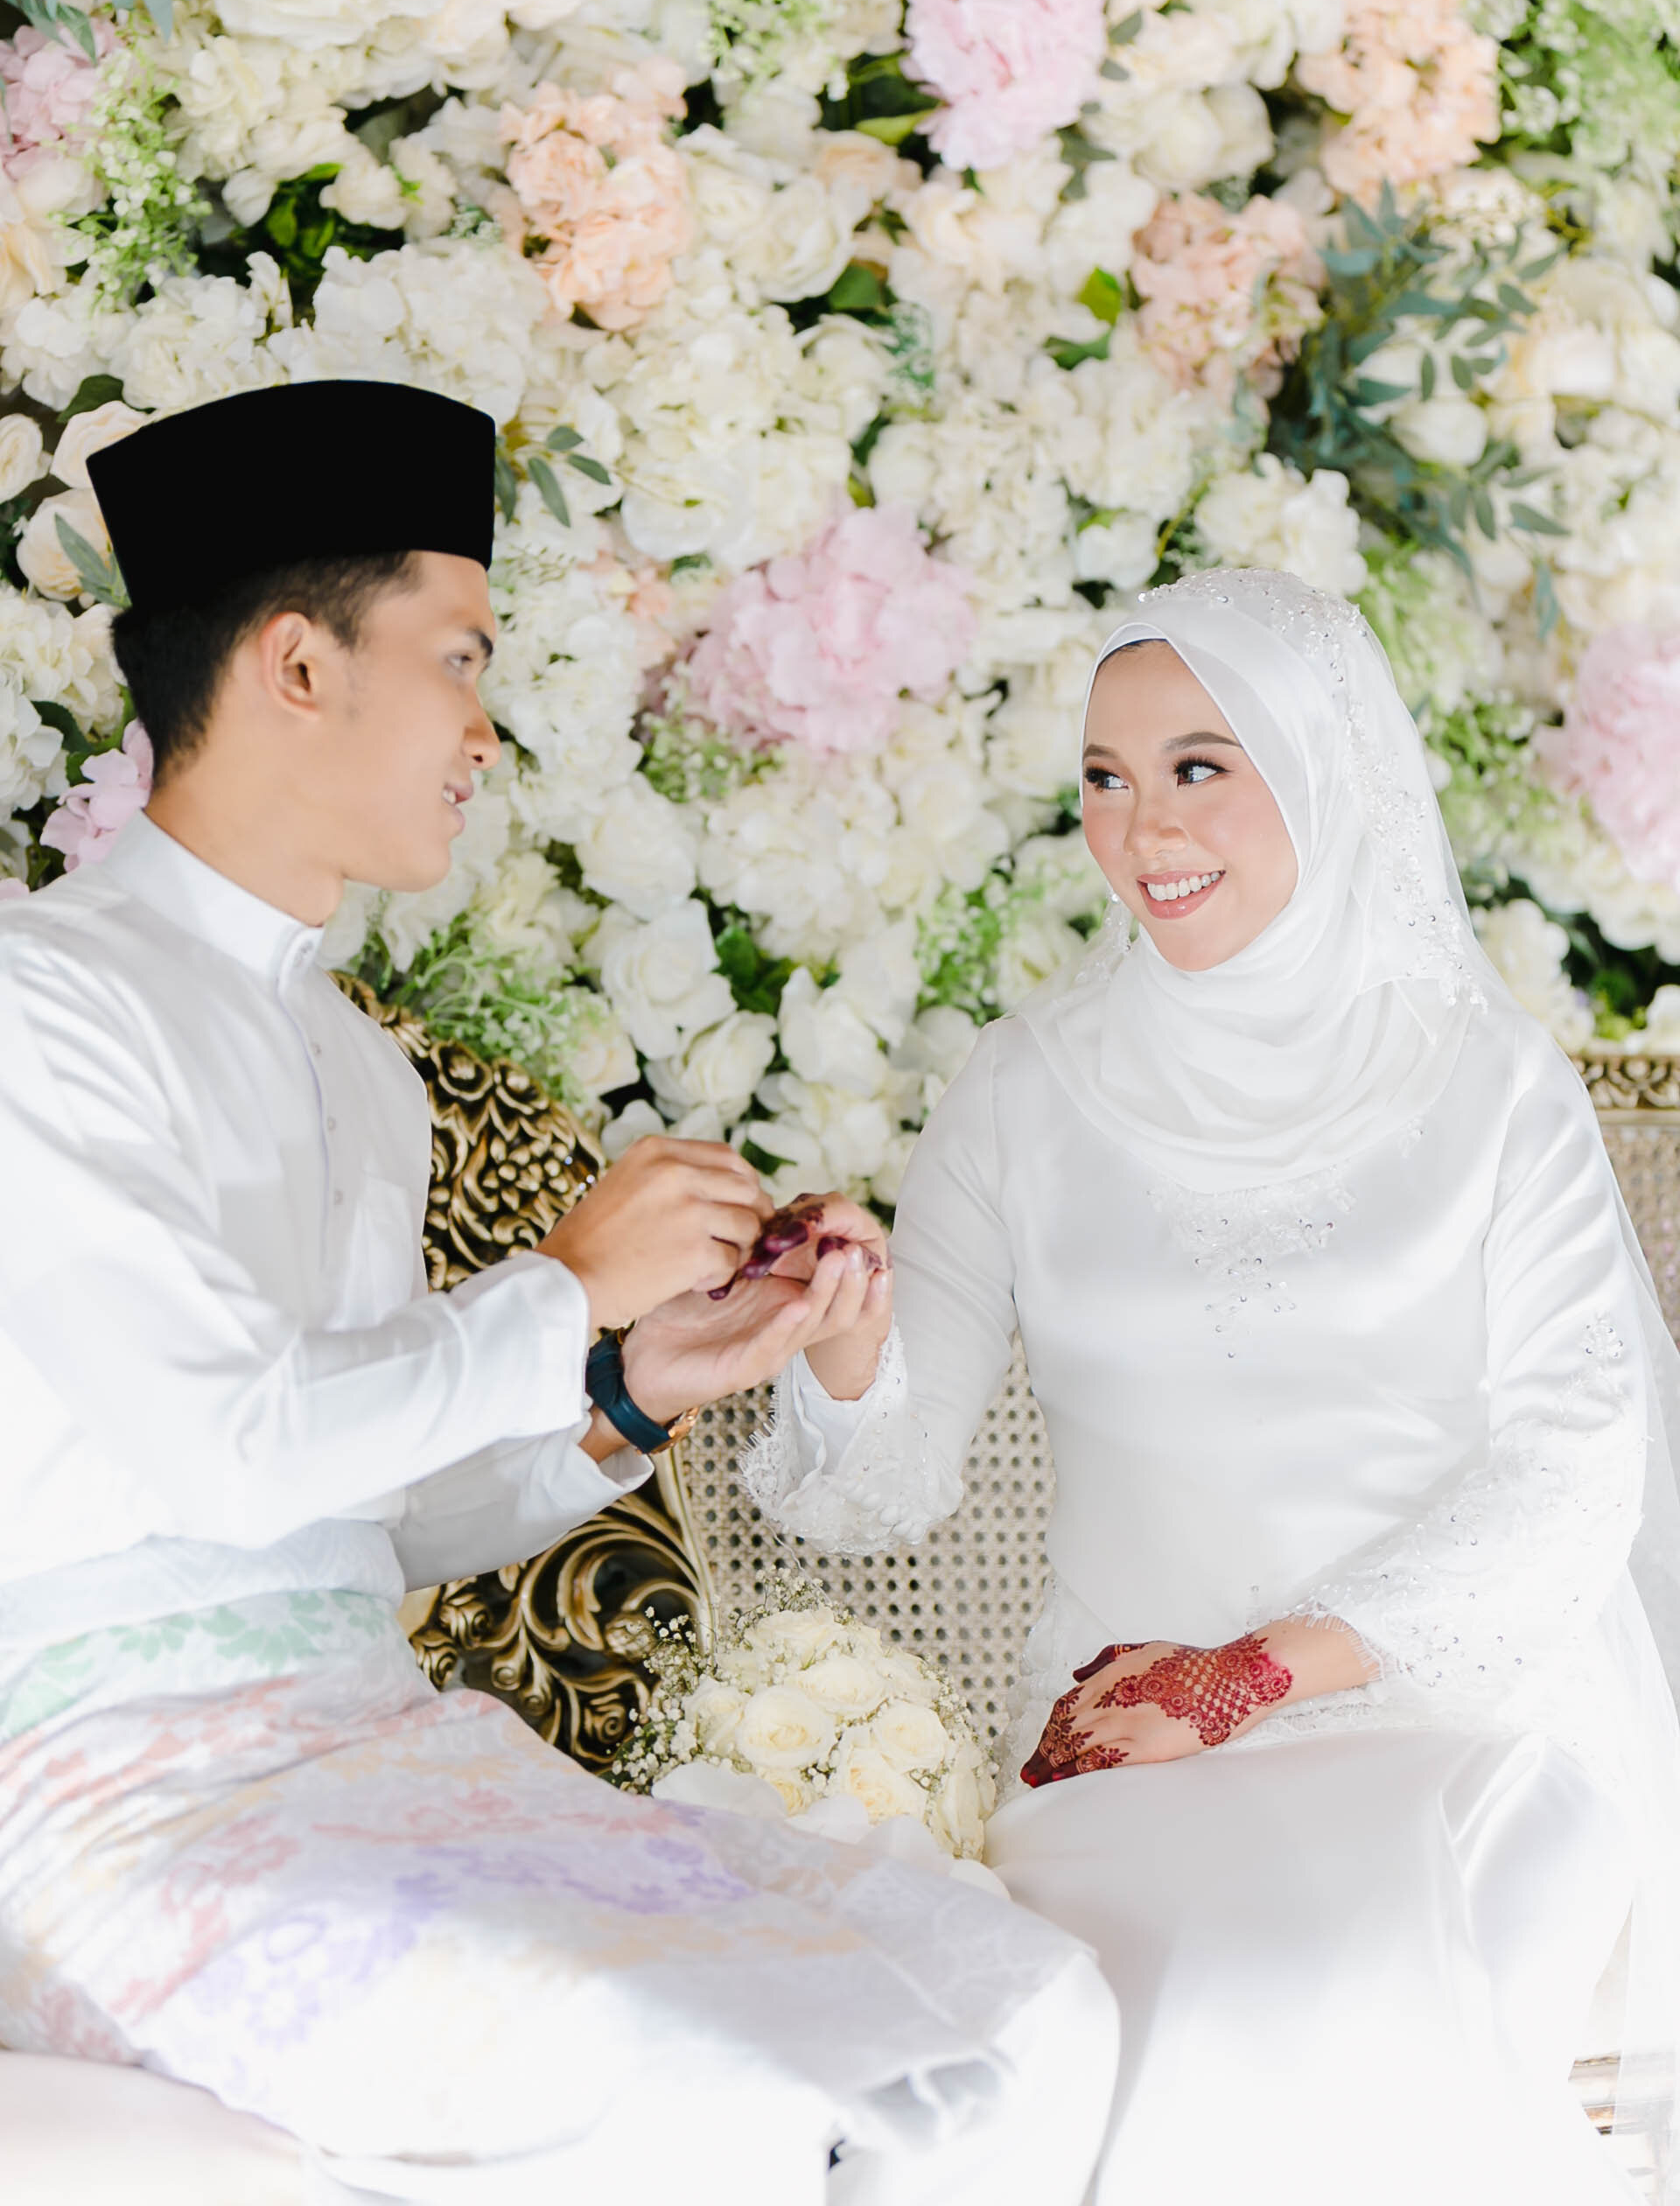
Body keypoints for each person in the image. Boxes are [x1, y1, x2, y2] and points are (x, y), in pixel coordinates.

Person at [0, 380, 1118, 2206]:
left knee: (1020, 2006)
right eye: (460, 658)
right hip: (120, 1816)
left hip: (378, 1754)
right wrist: (561, 1285)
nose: (484, 728)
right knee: (721, 2087)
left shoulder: (355, 1068)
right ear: (298, 666)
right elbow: (226, 1454)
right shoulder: (36, 1001)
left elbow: (364, 1518)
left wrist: (628, 1386)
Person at [746, 566, 1680, 2206]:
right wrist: (840, 1329)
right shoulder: (1022, 1091)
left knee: (1314, 1988)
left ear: (1320, 763)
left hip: (1460, 1720)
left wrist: (1246, 1678)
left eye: (1198, 766)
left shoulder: (1486, 1080)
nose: (1144, 829)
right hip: (1119, 1740)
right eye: (1105, 778)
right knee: (1099, 2024)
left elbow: (1576, 1466)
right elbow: (890, 1483)